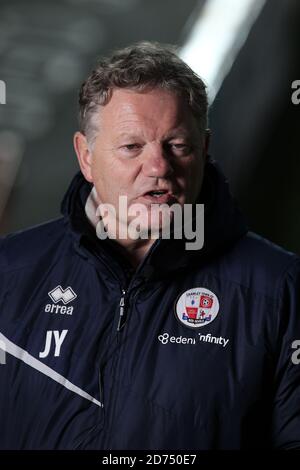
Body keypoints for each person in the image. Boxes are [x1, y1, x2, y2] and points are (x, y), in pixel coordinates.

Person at [0, 41, 299, 450]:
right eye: (131, 147)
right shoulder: (10, 274)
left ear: (205, 150)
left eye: (177, 146)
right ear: (86, 157)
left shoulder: (280, 289)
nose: (159, 168)